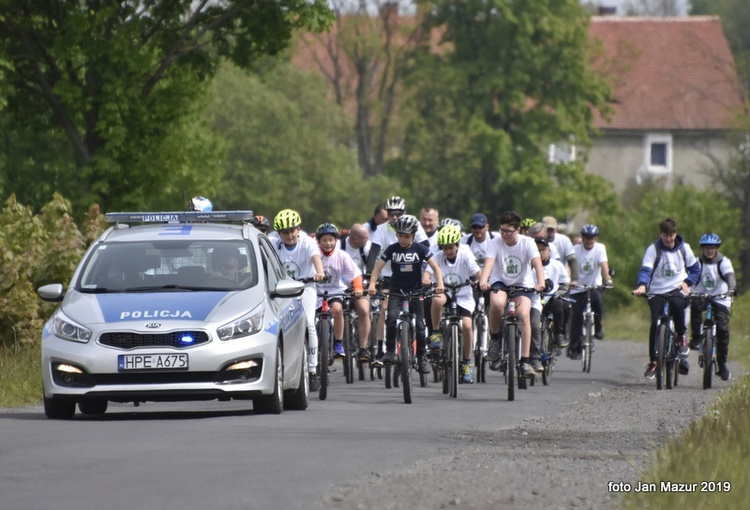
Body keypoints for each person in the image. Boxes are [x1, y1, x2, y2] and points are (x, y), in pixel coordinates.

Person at [367, 215, 444, 375]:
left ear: (414, 236)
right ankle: (389, 352)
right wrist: (372, 284)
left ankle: (422, 356)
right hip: (396, 290)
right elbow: (377, 268)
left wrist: (440, 284)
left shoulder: (420, 249)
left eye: (407, 236)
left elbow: (435, 267)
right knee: (391, 319)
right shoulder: (392, 249)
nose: (403, 239)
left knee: (421, 327)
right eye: (400, 236)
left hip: (416, 291)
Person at [479, 211, 546, 378]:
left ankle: (525, 361)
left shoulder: (528, 243)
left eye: (508, 231)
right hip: (500, 282)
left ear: (518, 230)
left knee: (524, 314)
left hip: (522, 284)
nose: (504, 234)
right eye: (502, 230)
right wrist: (483, 280)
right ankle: (495, 339)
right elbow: (489, 263)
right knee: (497, 303)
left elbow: (537, 265)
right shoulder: (495, 242)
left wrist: (541, 283)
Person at [632, 218, 700, 379]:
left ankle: (681, 336)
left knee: (677, 305)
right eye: (665, 235)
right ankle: (654, 362)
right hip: (657, 291)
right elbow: (646, 270)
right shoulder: (654, 250)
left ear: (675, 233)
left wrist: (687, 283)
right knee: (655, 324)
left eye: (671, 235)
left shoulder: (684, 249)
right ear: (660, 234)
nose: (669, 239)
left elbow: (695, 270)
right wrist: (642, 285)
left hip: (677, 288)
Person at [366, 196, 429, 366]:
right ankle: (383, 348)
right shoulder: (381, 228)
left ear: (405, 213)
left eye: (398, 213)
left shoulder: (413, 223)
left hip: (414, 276)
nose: (394, 217)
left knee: (420, 319)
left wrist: (426, 274)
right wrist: (369, 276)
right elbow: (374, 253)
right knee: (385, 309)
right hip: (389, 276)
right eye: (391, 213)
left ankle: (422, 352)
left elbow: (426, 249)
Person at [272, 209, 326, 390]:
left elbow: (315, 257)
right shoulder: (274, 244)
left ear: (298, 229)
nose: (289, 235)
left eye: (292, 231)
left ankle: (312, 370)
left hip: (306, 287)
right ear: (279, 233)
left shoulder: (307, 242)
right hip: (284, 289)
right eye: (284, 232)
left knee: (309, 324)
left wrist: (320, 272)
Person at [424, 225, 481, 383]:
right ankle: (436, 333)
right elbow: (427, 273)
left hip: (463, 294)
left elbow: (477, 272)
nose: (448, 251)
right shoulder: (437, 256)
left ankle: (467, 363)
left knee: (468, 326)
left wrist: (480, 281)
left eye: (451, 247)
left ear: (457, 245)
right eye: (445, 248)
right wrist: (427, 280)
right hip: (446, 291)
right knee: (436, 300)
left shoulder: (465, 254)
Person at [314, 223, 371, 361]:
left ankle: (338, 343)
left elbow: (355, 274)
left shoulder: (342, 255)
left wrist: (358, 288)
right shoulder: (314, 254)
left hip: (334, 291)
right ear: (319, 241)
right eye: (324, 240)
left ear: (336, 241)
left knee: (338, 309)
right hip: (316, 292)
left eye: (331, 240)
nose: (328, 243)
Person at [689, 232, 736, 381]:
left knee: (722, 330)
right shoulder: (698, 263)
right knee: (695, 307)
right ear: (702, 249)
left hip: (721, 298)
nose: (710, 250)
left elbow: (730, 277)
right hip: (702, 295)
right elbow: (692, 280)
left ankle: (722, 366)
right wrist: (689, 290)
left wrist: (731, 289)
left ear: (717, 248)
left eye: (713, 247)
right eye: (707, 247)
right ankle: (696, 337)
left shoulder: (723, 262)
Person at [567, 224, 613, 359]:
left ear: (595, 238)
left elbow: (604, 266)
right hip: (577, 287)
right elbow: (570, 266)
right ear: (582, 238)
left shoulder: (600, 248)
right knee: (576, 316)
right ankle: (574, 347)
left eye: (592, 238)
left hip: (594, 285)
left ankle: (598, 327)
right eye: (587, 238)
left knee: (597, 301)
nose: (589, 240)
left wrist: (608, 280)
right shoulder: (575, 249)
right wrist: (570, 280)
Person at [530, 238, 570, 370]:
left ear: (549, 251)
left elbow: (565, 283)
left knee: (561, 305)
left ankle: (559, 334)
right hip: (533, 298)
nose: (540, 253)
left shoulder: (557, 265)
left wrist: (559, 293)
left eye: (543, 250)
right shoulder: (528, 266)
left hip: (551, 298)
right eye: (537, 250)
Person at [542, 216, 579, 286]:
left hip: (560, 278)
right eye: (547, 230)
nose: (549, 233)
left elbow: (572, 259)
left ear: (556, 229)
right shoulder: (537, 240)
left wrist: (574, 279)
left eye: (551, 230)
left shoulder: (564, 240)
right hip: (542, 278)